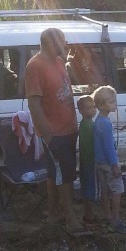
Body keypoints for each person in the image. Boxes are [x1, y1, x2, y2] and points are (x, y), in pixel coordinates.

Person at [25, 28, 84, 232]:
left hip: (68, 130)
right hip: (54, 133)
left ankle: (53, 213)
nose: (65, 45)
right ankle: (70, 219)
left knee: (54, 174)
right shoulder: (35, 66)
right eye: (62, 42)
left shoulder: (59, 61)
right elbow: (34, 104)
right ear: (50, 44)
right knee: (65, 176)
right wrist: (47, 135)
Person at [92, 85, 126, 233]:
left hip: (99, 163)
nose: (115, 104)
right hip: (108, 164)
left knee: (104, 191)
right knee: (117, 191)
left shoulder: (98, 120)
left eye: (114, 101)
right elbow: (108, 147)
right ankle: (115, 220)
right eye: (111, 102)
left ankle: (107, 217)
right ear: (101, 105)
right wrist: (115, 165)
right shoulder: (106, 124)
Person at [77, 95, 99, 227]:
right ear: (81, 111)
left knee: (86, 187)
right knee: (90, 188)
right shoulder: (89, 126)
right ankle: (90, 216)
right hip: (90, 162)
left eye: (93, 107)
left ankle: (87, 214)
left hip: (85, 161)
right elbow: (91, 146)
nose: (92, 110)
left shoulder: (86, 123)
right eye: (88, 108)